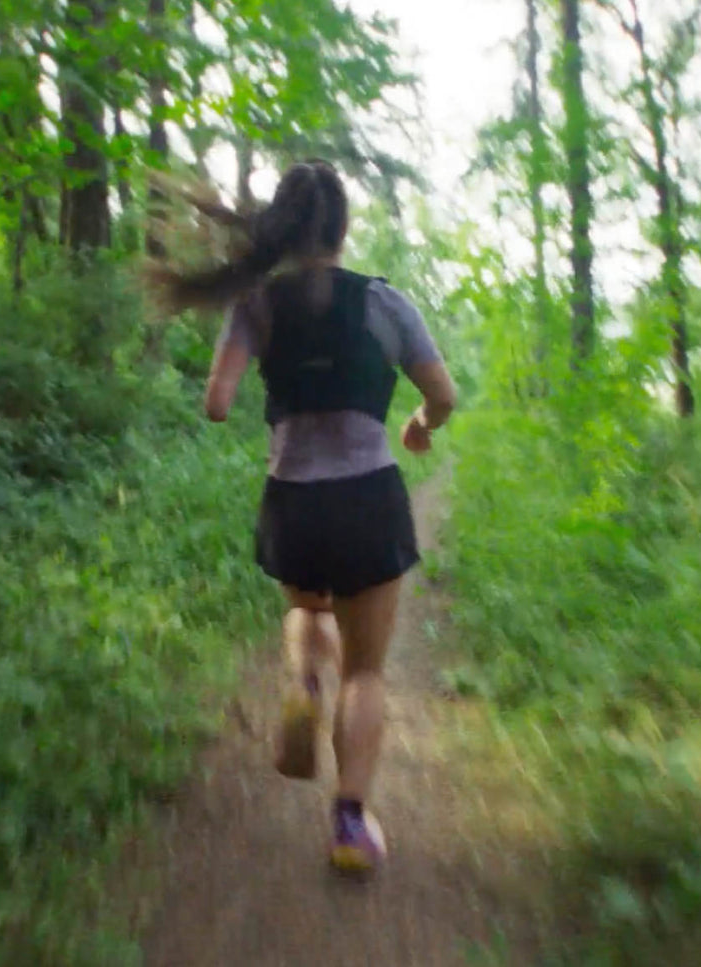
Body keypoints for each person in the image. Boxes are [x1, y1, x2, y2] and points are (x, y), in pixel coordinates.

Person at [147, 161, 456, 876]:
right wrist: (419, 423)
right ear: (344, 229)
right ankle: (350, 820)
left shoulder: (256, 306)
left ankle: (299, 687)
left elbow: (217, 403)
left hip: (294, 500)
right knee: (368, 671)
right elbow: (443, 393)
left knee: (307, 613)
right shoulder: (384, 303)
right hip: (369, 498)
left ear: (282, 228)